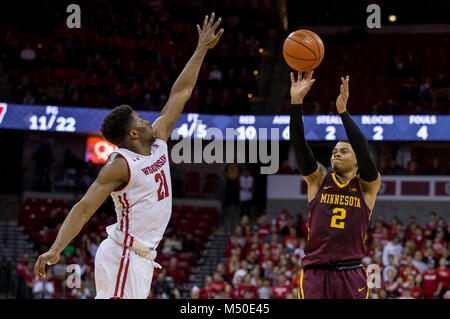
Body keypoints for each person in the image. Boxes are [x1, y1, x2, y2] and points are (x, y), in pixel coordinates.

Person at [33, 13, 224, 299]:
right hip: (124, 255)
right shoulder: (120, 165)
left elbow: (180, 93)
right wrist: (57, 248)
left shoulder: (158, 138)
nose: (146, 120)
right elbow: (85, 207)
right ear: (131, 135)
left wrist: (200, 50)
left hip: (139, 258)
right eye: (138, 119)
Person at [289, 72, 381, 299]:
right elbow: (300, 147)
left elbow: (363, 148)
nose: (336, 154)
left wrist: (343, 111)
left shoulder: (367, 186)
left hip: (351, 272)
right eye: (334, 152)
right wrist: (296, 104)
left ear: (357, 159)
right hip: (315, 272)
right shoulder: (319, 179)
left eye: (343, 151)